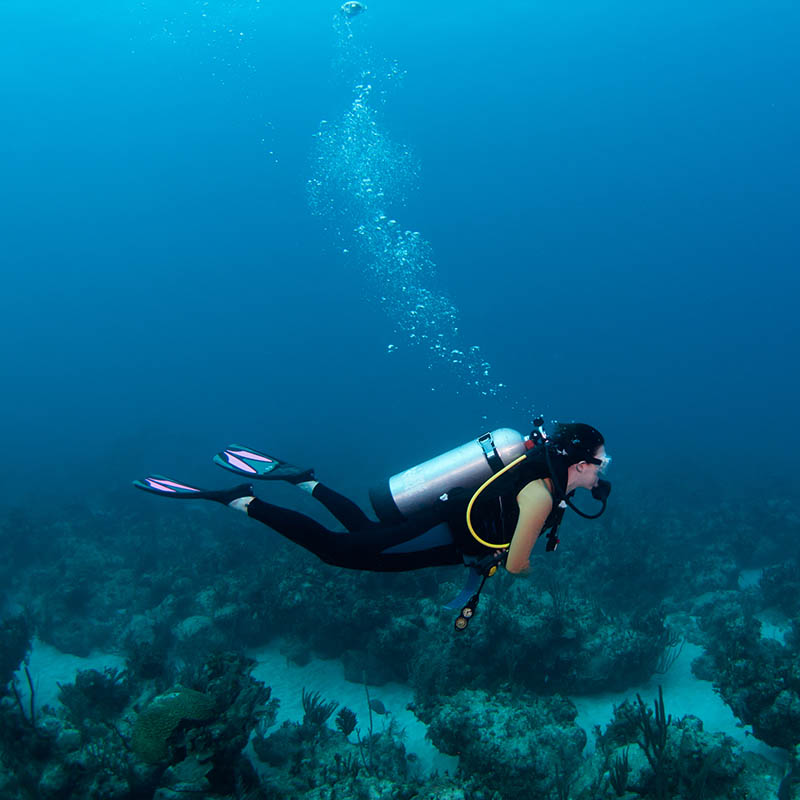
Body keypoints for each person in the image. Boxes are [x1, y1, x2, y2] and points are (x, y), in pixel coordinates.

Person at [134, 422, 610, 581]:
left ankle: (305, 482)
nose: (604, 465)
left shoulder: (547, 483)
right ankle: (242, 500)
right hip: (441, 533)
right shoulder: (540, 495)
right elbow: (516, 565)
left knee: (363, 531)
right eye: (599, 459)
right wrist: (518, 565)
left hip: (442, 524)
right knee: (338, 552)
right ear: (577, 463)